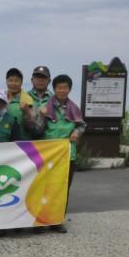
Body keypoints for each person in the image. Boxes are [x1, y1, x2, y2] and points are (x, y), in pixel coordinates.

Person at [40, 74, 85, 234]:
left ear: (70, 89)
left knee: (63, 188)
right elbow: (37, 129)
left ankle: (57, 221)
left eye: (65, 87)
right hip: (48, 155)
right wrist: (40, 115)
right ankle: (41, 221)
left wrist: (77, 132)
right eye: (59, 87)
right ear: (54, 89)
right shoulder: (45, 107)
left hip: (68, 154)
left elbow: (82, 125)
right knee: (45, 187)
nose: (62, 90)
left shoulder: (74, 108)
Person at [5, 67, 40, 140]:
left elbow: (33, 128)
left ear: (21, 82)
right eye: (10, 80)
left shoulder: (28, 100)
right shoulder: (0, 98)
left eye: (16, 81)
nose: (13, 83)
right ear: (6, 81)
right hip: (3, 142)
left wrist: (26, 112)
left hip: (22, 143)